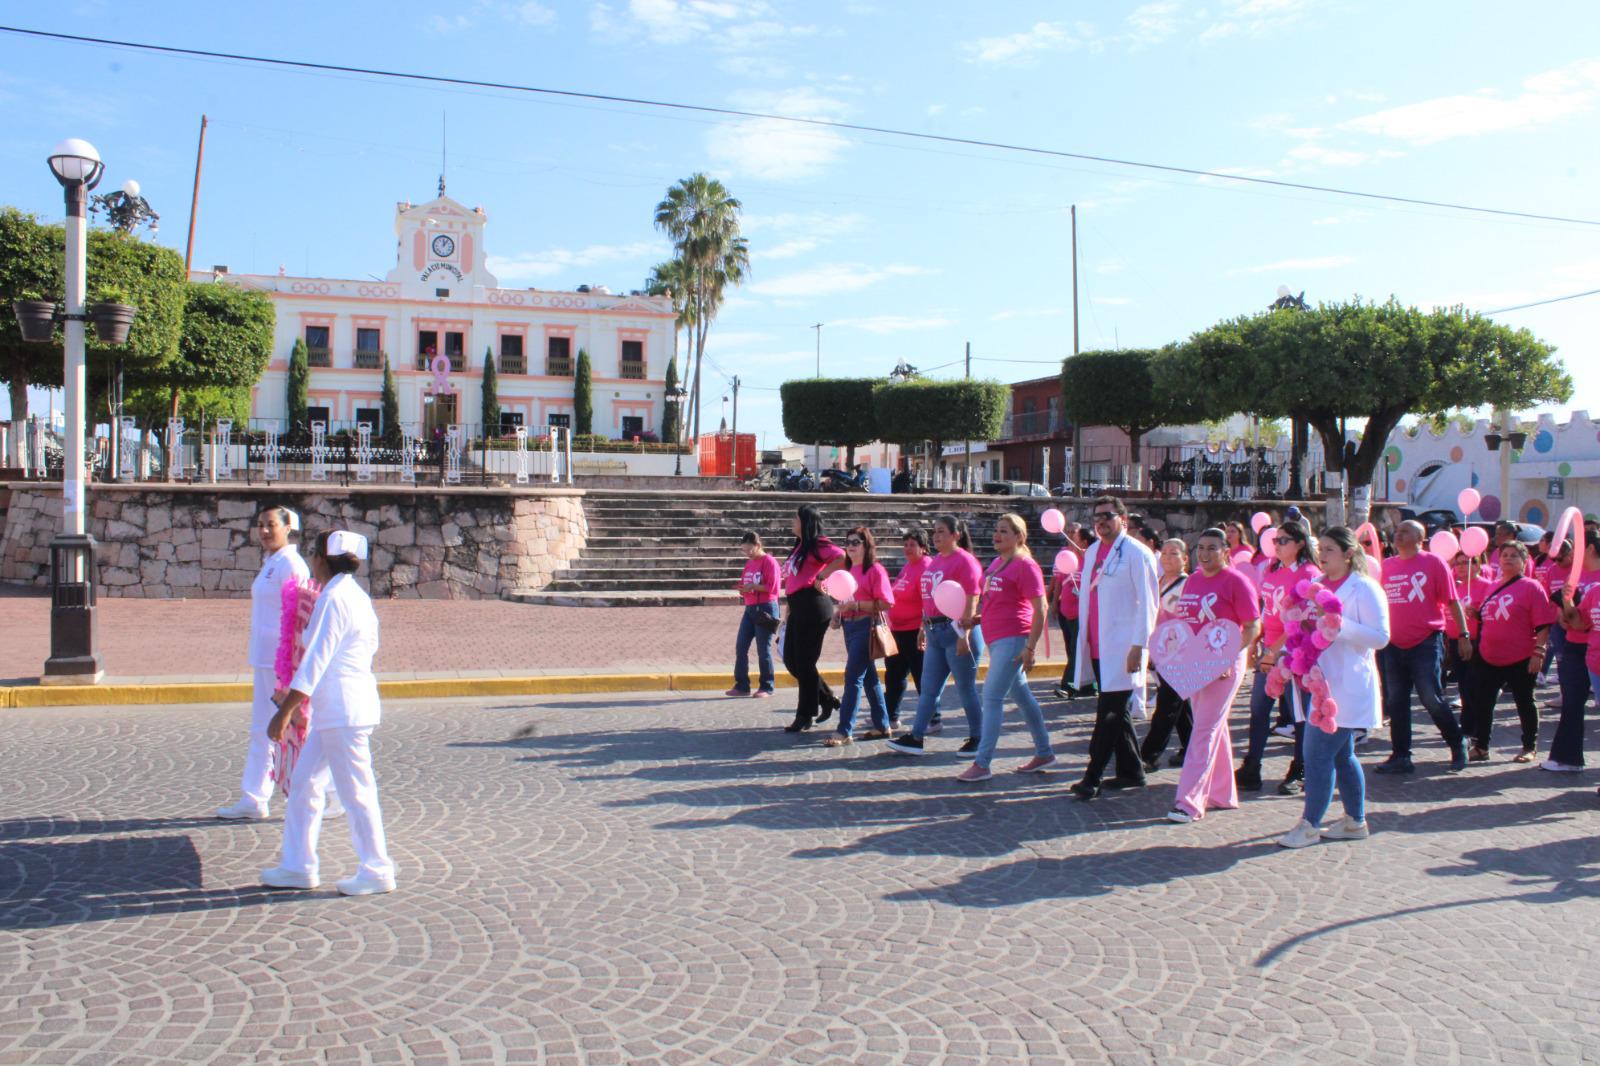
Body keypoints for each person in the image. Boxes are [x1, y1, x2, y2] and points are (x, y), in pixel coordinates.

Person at [261, 530, 397, 895]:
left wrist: (285, 711)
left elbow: (315, 661)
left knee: (356, 791)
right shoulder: (352, 594)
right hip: (338, 709)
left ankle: (377, 868)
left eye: (314, 554)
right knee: (306, 782)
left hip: (343, 709)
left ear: (323, 559)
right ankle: (298, 865)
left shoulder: (335, 598)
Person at [1280, 527, 1391, 848]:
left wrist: (1338, 626)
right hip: (1315, 680)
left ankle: (1310, 824)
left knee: (1315, 754)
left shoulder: (1365, 588)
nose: (1322, 556)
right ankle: (1355, 821)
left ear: (1348, 553)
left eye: (1329, 549)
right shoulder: (1315, 589)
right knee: (1343, 756)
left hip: (1346, 685)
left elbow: (1380, 637)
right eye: (1321, 549)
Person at [218, 505, 312, 821]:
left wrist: (291, 664)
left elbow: (300, 616)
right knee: (262, 729)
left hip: (279, 663)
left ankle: (313, 793)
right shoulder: (272, 563)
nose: (265, 531)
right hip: (263, 659)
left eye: (271, 525)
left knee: (291, 728)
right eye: (260, 525)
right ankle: (255, 797)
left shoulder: (291, 564)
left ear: (288, 527)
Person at [1164, 529, 1261, 823]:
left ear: (1226, 552)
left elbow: (1253, 626)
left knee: (1203, 729)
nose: (1205, 554)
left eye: (1213, 548)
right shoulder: (1192, 579)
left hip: (1225, 664)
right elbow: (1186, 621)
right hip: (1196, 662)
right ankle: (1222, 792)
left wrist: (1228, 657)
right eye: (1201, 548)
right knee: (1211, 726)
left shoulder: (1236, 582)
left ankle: (1189, 802)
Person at [1069, 496, 1160, 800]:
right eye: (1096, 517)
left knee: (1107, 713)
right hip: (1097, 643)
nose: (1101, 522)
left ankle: (1092, 777)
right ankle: (1132, 771)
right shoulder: (1093, 551)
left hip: (1124, 646)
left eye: (1108, 515)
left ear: (1122, 518)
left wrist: (1139, 645)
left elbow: (1149, 604)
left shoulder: (1137, 553)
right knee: (1116, 712)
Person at [959, 514, 1055, 781]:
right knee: (1022, 696)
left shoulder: (1026, 566)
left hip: (1014, 639)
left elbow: (1041, 608)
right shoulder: (997, 563)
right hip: (996, 637)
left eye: (1003, 531)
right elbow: (996, 602)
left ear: (1019, 537)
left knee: (991, 697)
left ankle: (982, 763)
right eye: (996, 530)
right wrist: (975, 619)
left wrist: (1031, 648)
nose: (996, 535)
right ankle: (1044, 751)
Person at [1375, 520, 1471, 775]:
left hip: (1425, 642)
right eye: (1397, 530)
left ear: (1420, 538)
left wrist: (1463, 634)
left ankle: (1457, 741)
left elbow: (1452, 601)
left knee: (1431, 697)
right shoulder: (1387, 566)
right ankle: (1401, 755)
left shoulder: (1433, 563)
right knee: (1396, 700)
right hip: (1393, 644)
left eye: (1405, 531)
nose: (1398, 533)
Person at [887, 516, 987, 756]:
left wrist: (965, 633)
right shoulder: (935, 563)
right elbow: (929, 597)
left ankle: (979, 737)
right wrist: (924, 625)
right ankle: (916, 736)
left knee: (965, 688)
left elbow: (973, 597)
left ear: (956, 535)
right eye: (934, 532)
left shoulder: (965, 562)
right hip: (934, 631)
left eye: (942, 531)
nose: (936, 536)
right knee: (929, 688)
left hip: (956, 630)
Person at [1237, 521, 1320, 795]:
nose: (1277, 545)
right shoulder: (1272, 570)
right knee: (1259, 709)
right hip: (1270, 649)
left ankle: (1301, 767)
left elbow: (1302, 621)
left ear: (1299, 543)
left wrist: (1274, 652)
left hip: (1294, 652)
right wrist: (1256, 643)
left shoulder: (1308, 574)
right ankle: (1252, 766)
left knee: (1298, 712)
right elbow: (1265, 610)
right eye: (1276, 541)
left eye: (1283, 540)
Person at [1463, 542, 1554, 763]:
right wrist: (1475, 614)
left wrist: (1538, 652)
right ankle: (1481, 746)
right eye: (1504, 555)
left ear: (1524, 561)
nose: (1508, 559)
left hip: (1521, 656)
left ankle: (1528, 746)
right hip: (1489, 655)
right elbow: (1490, 617)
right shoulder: (1492, 586)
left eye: (1514, 555)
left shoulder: (1532, 587)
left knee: (1524, 702)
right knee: (1483, 702)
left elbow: (1543, 625)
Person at [779, 505, 847, 733]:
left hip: (813, 604)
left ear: (806, 522)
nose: (792, 521)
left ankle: (805, 715)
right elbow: (792, 579)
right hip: (797, 605)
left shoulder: (819, 543)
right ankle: (826, 697)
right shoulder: (800, 546)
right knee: (791, 660)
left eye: (796, 518)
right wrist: (787, 612)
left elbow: (841, 557)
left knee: (805, 663)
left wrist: (822, 575)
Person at [827, 526, 895, 746]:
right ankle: (882, 725)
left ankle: (844, 729)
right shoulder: (848, 571)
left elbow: (886, 602)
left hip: (867, 626)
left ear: (867, 545)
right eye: (848, 542)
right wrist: (839, 614)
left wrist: (857, 605)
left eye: (856, 542)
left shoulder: (875, 570)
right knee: (869, 677)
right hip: (850, 626)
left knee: (853, 677)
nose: (851, 546)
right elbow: (843, 598)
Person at [1544, 527, 1600, 772]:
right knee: (1572, 704)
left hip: (1592, 649)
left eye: (1577, 546)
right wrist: (1566, 603)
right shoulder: (1577, 578)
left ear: (1588, 548)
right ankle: (1567, 758)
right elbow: (1570, 620)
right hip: (1579, 649)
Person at [1140, 538, 1193, 772]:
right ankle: (1192, 745)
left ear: (1184, 559)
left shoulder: (1187, 585)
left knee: (1167, 704)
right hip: (1160, 651)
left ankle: (1149, 754)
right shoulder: (1160, 581)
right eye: (1165, 554)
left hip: (1178, 652)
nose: (1168, 558)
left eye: (1174, 554)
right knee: (1179, 704)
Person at [884, 528, 931, 732]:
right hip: (898, 630)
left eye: (913, 545)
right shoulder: (907, 567)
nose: (908, 549)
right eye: (905, 545)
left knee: (922, 677)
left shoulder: (926, 567)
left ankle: (933, 718)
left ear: (923, 548)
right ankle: (891, 716)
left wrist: (923, 627)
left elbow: (929, 601)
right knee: (894, 675)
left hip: (915, 631)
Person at [728, 531, 780, 698]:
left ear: (758, 546)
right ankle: (742, 685)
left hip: (766, 608)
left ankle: (767, 686)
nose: (747, 553)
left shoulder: (769, 562)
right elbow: (745, 582)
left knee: (763, 649)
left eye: (750, 549)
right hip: (750, 608)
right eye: (744, 550)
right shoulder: (749, 563)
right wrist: (743, 589)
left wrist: (753, 586)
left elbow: (773, 587)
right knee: (741, 646)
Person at [1046, 539, 1085, 699]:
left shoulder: (1089, 561)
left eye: (1075, 538)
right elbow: (1058, 583)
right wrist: (1053, 602)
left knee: (1077, 649)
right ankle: (1083, 683)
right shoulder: (1065, 558)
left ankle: (1069, 685)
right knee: (1071, 648)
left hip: (1082, 614)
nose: (1071, 541)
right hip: (1066, 611)